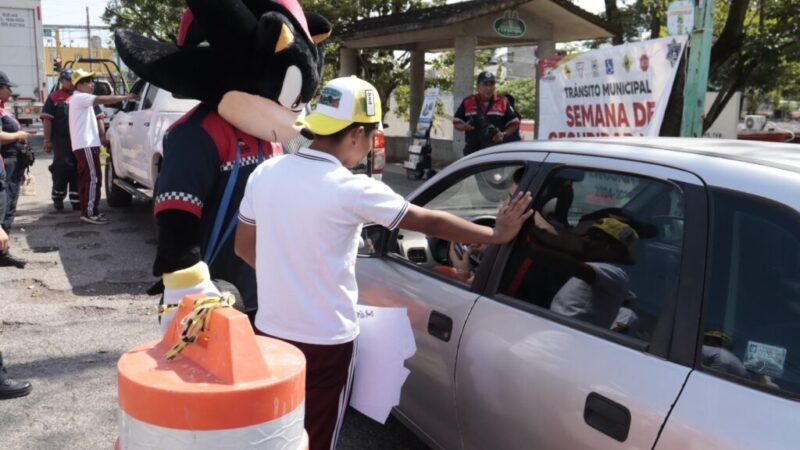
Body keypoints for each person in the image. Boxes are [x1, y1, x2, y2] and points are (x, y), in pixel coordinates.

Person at [234, 76, 533, 450]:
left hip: (271, 331)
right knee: (316, 436)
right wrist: (494, 235)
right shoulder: (351, 188)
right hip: (328, 342)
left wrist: (287, 274)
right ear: (357, 133)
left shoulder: (266, 172)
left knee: (274, 430)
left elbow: (244, 247)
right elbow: (426, 220)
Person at [527, 217, 638, 328]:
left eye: (594, 238)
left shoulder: (615, 273)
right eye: (587, 235)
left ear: (614, 249)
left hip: (568, 334)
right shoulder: (594, 266)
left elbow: (570, 265)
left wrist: (530, 249)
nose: (585, 240)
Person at [67, 69, 129, 224]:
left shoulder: (78, 98)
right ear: (79, 85)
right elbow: (104, 99)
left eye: (91, 81)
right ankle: (90, 213)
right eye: (88, 81)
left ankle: (87, 211)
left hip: (84, 145)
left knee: (86, 179)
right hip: (85, 145)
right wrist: (125, 97)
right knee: (93, 178)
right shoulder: (81, 97)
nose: (92, 84)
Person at [42, 69, 106, 211]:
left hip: (81, 139)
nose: (71, 82)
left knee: (80, 168)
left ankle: (76, 199)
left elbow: (99, 117)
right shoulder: (54, 97)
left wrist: (102, 136)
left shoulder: (86, 97)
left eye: (73, 80)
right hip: (61, 140)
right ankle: (58, 196)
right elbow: (47, 119)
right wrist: (47, 140)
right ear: (62, 81)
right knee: (62, 166)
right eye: (67, 80)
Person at [0, 70, 30, 268]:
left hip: (13, 163)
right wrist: (18, 135)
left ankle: (4, 251)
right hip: (7, 163)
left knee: (9, 207)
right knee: (3, 207)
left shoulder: (4, 108)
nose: (11, 91)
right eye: (8, 88)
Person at [453, 71, 520, 156]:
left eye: (491, 84)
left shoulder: (503, 102)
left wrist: (503, 134)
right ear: (478, 87)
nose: (488, 88)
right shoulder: (468, 102)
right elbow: (456, 122)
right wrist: (464, 127)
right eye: (485, 84)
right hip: (472, 152)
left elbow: (515, 123)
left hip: (495, 152)